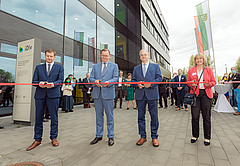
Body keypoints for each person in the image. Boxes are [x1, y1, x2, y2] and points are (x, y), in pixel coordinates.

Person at [26, 49, 64, 151]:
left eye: (51, 56)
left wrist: (53, 84)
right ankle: (37, 139)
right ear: (45, 56)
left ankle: (54, 137)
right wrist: (39, 84)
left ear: (54, 57)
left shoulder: (60, 67)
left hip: (53, 95)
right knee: (38, 117)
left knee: (54, 117)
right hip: (40, 95)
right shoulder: (38, 67)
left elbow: (60, 81)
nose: (49, 58)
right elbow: (34, 81)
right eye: (47, 56)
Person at [132, 49, 162, 147]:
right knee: (141, 117)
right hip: (140, 95)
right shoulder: (136, 68)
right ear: (140, 57)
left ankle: (154, 137)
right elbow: (133, 80)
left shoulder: (155, 66)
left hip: (152, 94)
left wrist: (151, 84)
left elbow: (159, 78)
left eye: (145, 54)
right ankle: (143, 136)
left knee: (154, 116)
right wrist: (137, 84)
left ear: (148, 56)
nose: (143, 56)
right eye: (141, 55)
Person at [89, 49, 118, 146]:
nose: (104, 57)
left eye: (106, 55)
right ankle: (98, 135)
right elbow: (91, 78)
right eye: (103, 55)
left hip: (108, 94)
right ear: (100, 56)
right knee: (98, 116)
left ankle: (110, 136)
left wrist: (108, 82)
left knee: (109, 116)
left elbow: (115, 78)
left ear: (110, 56)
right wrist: (95, 81)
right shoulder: (96, 66)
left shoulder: (114, 66)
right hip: (97, 94)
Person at [187, 53, 216, 146]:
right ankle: (195, 135)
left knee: (206, 117)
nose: (199, 60)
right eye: (197, 59)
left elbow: (213, 81)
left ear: (203, 60)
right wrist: (192, 84)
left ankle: (207, 137)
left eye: (200, 59)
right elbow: (188, 81)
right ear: (195, 60)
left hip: (206, 94)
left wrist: (209, 84)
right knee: (195, 117)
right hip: (195, 94)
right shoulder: (191, 70)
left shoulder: (208, 69)